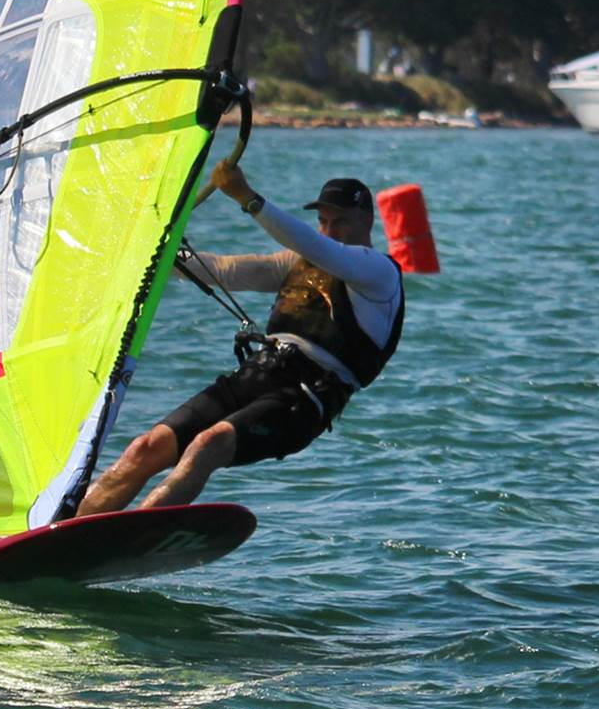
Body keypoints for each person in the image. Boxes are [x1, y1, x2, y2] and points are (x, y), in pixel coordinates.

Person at [73, 162, 404, 515]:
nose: (329, 230)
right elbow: (222, 269)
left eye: (340, 221)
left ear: (366, 221)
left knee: (208, 443)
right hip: (260, 373)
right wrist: (157, 253)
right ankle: (62, 531)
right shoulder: (297, 262)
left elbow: (315, 246)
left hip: (306, 398)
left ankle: (129, 538)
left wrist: (248, 198)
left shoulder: (378, 272)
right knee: (146, 447)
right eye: (323, 221)